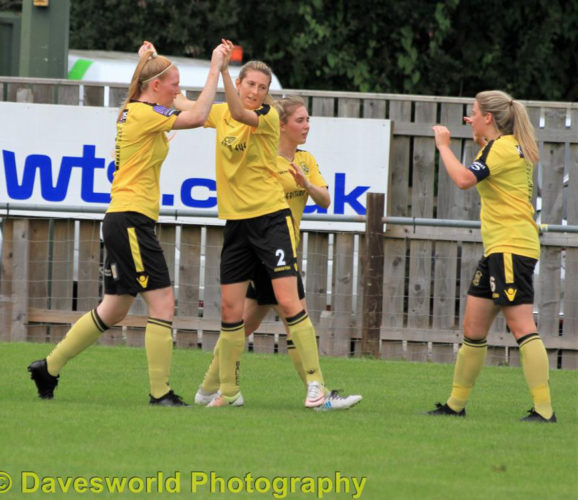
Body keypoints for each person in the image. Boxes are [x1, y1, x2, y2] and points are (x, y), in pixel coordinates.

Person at [27, 41, 231, 406]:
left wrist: (145, 61)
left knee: (115, 308)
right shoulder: (144, 113)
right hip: (132, 221)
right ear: (155, 87)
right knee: (163, 303)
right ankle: (160, 393)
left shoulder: (133, 108)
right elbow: (199, 116)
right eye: (174, 84)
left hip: (122, 218)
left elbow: (182, 102)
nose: (178, 91)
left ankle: (49, 366)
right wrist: (215, 67)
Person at [195, 96, 362, 410]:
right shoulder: (264, 158)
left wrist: (307, 185)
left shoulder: (306, 160)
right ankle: (319, 394)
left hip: (283, 247)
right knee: (290, 316)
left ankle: (207, 388)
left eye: (308, 120)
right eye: (300, 120)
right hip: (265, 248)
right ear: (280, 125)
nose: (307, 126)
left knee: (251, 324)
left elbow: (325, 200)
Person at [191, 40, 329, 409]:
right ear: (239, 84)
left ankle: (317, 387)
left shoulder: (265, 116)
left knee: (290, 302)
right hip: (236, 225)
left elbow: (238, 114)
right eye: (249, 84)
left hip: (270, 220)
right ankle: (229, 392)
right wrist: (151, 82)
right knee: (231, 312)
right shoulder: (221, 112)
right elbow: (187, 108)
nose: (255, 92)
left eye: (261, 87)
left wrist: (220, 70)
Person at [427, 90, 556, 422]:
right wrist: (480, 133)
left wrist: (443, 145)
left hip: (511, 247)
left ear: (489, 117)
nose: (470, 116)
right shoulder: (505, 146)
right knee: (473, 326)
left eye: (474, 112)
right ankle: (455, 405)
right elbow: (484, 166)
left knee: (522, 326)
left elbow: (464, 179)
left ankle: (544, 410)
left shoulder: (499, 149)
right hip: (501, 248)